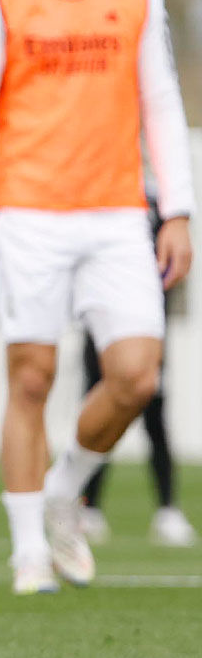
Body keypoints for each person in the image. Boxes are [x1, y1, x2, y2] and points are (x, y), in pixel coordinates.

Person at [0, 0, 194, 595]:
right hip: (27, 212)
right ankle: (27, 555)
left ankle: (63, 491)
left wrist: (176, 209)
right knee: (32, 378)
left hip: (119, 210)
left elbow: (162, 101)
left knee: (137, 376)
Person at [77, 192, 196, 548]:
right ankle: (88, 508)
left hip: (147, 329)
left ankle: (168, 510)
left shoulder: (161, 207)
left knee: (155, 419)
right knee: (99, 418)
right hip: (99, 332)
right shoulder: (100, 198)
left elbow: (171, 264)